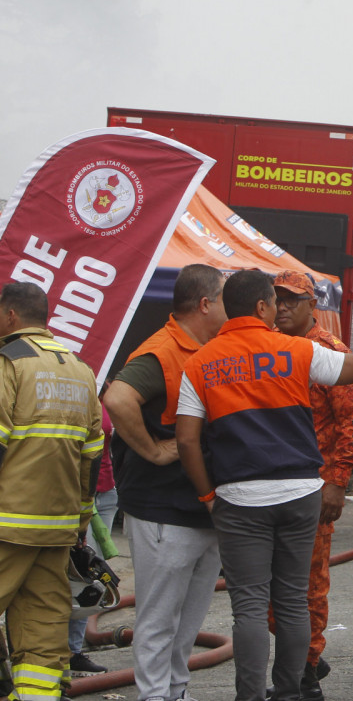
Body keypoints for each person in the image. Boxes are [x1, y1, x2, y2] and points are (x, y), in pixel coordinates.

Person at [174, 270, 353, 701]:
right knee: (292, 600)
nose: (279, 309)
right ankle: (290, 692)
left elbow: (185, 439)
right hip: (299, 494)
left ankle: (250, 695)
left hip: (240, 498)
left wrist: (208, 495)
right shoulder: (298, 351)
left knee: (250, 606)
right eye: (274, 301)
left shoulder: (199, 363)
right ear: (260, 307)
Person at [106, 263, 227, 701]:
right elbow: (117, 398)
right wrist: (155, 451)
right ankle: (155, 696)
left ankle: (175, 692)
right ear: (205, 303)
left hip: (202, 509)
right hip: (164, 510)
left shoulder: (207, 349)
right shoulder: (163, 351)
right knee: (159, 619)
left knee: (187, 620)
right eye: (224, 297)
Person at [0, 282, 104, 699]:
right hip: (57, 527)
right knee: (43, 633)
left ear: (10, 316)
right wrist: (80, 516)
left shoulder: (10, 364)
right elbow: (92, 454)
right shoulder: (80, 369)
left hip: (7, 524)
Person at [271, 271, 353, 700]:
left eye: (293, 300)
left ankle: (306, 675)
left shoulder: (329, 353)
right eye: (277, 299)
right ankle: (306, 655)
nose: (284, 307)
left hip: (314, 489)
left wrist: (336, 484)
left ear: (313, 306)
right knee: (275, 587)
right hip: (274, 486)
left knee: (307, 586)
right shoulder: (270, 348)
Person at [66, 403, 119, 677]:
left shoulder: (103, 393)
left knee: (90, 578)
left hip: (106, 493)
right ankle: (63, 653)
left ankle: (74, 651)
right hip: (76, 496)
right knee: (75, 578)